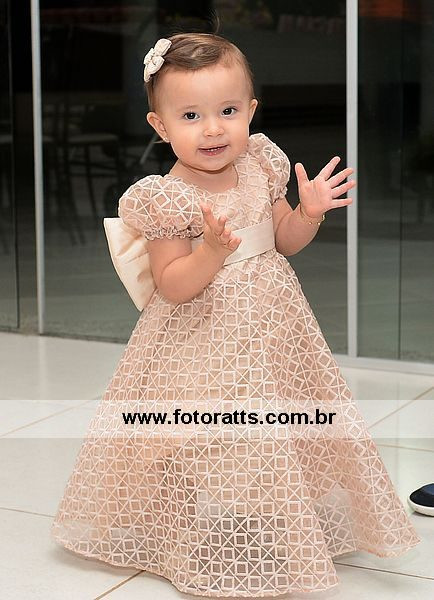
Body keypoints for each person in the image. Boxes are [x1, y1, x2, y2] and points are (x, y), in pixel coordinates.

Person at [50, 32, 421, 597]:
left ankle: (285, 520)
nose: (213, 130)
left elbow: (284, 240)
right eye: (191, 116)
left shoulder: (260, 165)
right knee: (185, 434)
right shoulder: (167, 197)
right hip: (198, 331)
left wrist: (309, 213)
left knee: (280, 421)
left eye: (227, 111)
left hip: (272, 323)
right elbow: (172, 285)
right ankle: (179, 535)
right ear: (159, 125)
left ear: (250, 110)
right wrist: (210, 251)